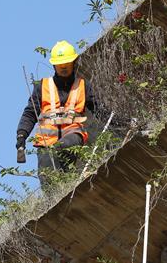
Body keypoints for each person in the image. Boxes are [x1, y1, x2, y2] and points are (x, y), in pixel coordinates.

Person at [16, 40, 110, 186]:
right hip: (46, 141)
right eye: (60, 65)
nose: (64, 68)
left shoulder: (83, 86)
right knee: (48, 179)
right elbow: (30, 113)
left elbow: (100, 110)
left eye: (67, 64)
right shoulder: (42, 86)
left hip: (73, 134)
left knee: (64, 145)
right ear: (54, 65)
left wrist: (123, 122)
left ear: (74, 63)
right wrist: (22, 135)